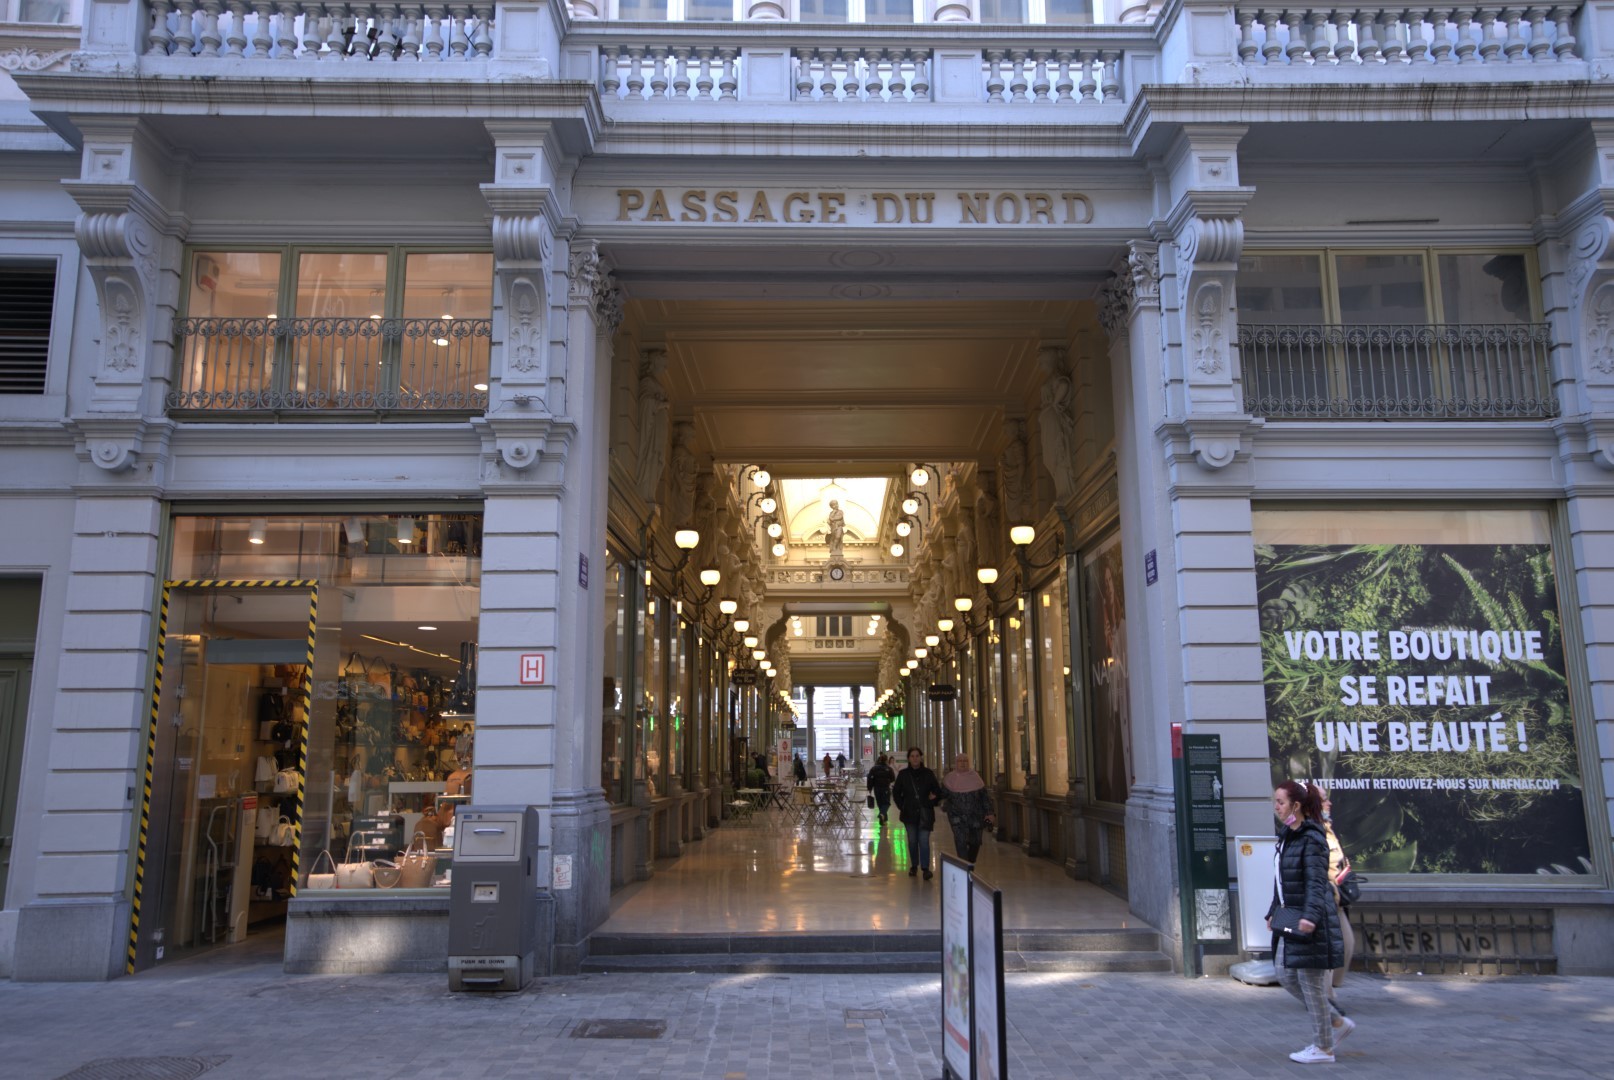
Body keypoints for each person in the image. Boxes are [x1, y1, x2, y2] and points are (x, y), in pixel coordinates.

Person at [1266, 781, 1353, 1065]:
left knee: (1310, 982)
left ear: (1296, 805)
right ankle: (1336, 1022)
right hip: (1291, 916)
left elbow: (1317, 882)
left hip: (1309, 920)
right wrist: (1272, 910)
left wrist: (1310, 917)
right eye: (1275, 801)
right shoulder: (1289, 834)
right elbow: (1282, 879)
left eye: (1280, 802)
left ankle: (1324, 1047)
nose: (1276, 807)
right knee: (1286, 974)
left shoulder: (1312, 837)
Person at [1320, 790, 1355, 1014]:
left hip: (1337, 899)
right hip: (1324, 900)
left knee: (1346, 945)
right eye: (1324, 799)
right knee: (1329, 950)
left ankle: (1327, 992)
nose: (1329, 803)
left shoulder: (1326, 827)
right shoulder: (1311, 830)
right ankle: (1326, 1000)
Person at [892, 746, 943, 880]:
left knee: (924, 841)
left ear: (921, 758)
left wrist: (933, 798)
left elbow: (937, 790)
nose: (915, 758)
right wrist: (902, 806)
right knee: (913, 841)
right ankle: (914, 865)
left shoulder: (928, 774)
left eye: (917, 756)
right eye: (912, 756)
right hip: (909, 813)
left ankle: (925, 868)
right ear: (909, 759)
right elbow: (896, 792)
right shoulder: (904, 775)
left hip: (925, 813)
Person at [940, 753, 995, 863]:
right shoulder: (950, 778)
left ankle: (970, 861)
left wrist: (989, 812)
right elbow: (942, 794)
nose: (963, 763)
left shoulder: (975, 777)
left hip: (975, 816)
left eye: (965, 761)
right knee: (960, 840)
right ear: (956, 763)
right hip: (957, 816)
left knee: (975, 841)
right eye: (960, 761)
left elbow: (984, 797)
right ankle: (964, 866)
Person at [866, 753, 896, 824]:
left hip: (876, 789)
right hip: (885, 788)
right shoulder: (889, 769)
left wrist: (869, 788)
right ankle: (882, 815)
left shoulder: (874, 768)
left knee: (880, 804)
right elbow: (893, 778)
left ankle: (883, 820)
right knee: (886, 803)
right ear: (886, 760)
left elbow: (869, 778)